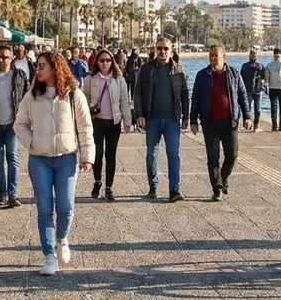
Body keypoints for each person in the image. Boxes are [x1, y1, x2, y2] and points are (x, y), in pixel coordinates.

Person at [15, 51, 94, 276]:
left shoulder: (72, 94)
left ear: (55, 68)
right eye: (37, 66)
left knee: (66, 207)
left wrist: (87, 156)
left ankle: (62, 237)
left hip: (66, 159)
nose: (37, 70)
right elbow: (19, 124)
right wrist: (32, 141)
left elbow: (85, 126)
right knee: (44, 207)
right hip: (39, 159)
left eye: (42, 66)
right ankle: (49, 255)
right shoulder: (32, 96)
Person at [190, 44, 251, 201]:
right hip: (210, 122)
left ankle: (222, 179)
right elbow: (195, 98)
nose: (213, 58)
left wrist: (247, 115)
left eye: (216, 55)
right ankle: (216, 188)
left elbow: (243, 95)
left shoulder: (234, 74)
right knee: (213, 157)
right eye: (211, 55)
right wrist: (193, 120)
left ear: (224, 56)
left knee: (232, 154)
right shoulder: (202, 75)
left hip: (230, 122)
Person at [132, 36, 190, 202]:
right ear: (155, 50)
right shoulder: (146, 69)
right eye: (159, 48)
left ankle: (174, 189)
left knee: (173, 154)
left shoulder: (178, 70)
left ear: (171, 51)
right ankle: (153, 185)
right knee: (152, 153)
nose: (162, 51)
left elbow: (185, 95)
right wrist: (139, 115)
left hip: (172, 120)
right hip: (152, 119)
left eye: (165, 48)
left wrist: (186, 116)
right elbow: (138, 93)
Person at [0, 45, 30, 208]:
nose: (1, 60)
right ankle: (2, 192)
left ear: (12, 58)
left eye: (5, 57)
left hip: (13, 123)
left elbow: (26, 98)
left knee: (13, 157)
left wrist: (26, 120)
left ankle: (13, 194)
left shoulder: (19, 75)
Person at [81, 47, 132, 201]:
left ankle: (109, 187)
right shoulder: (91, 79)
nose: (105, 63)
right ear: (97, 61)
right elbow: (84, 99)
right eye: (101, 60)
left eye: (108, 60)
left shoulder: (119, 79)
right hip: (97, 122)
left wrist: (127, 121)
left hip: (113, 123)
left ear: (113, 62)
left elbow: (124, 101)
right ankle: (97, 181)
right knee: (97, 155)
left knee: (111, 155)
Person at [240, 49, 268, 132]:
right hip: (254, 90)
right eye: (254, 55)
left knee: (249, 108)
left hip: (251, 89)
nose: (255, 56)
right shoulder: (259, 66)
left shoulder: (245, 66)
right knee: (255, 109)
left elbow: (241, 77)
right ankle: (253, 125)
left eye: (255, 55)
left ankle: (251, 125)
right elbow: (264, 78)